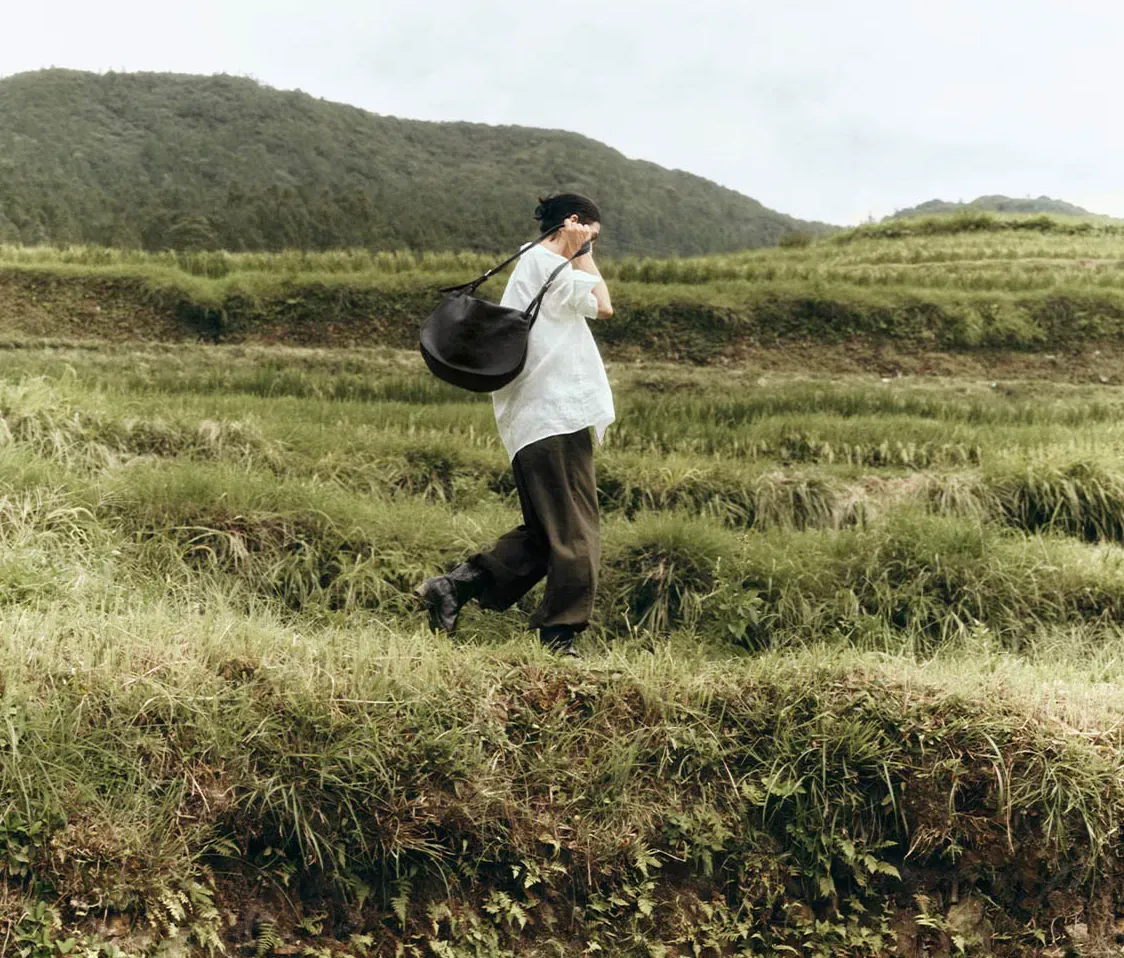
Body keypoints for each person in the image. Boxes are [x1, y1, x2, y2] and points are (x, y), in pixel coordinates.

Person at [415, 193, 614, 656]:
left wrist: (578, 248)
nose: (592, 245)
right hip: (555, 416)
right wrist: (585, 252)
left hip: (535, 421)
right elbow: (603, 306)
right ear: (573, 224)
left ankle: (454, 587)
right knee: (577, 533)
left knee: (545, 534)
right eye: (592, 234)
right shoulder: (549, 262)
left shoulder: (534, 262)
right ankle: (559, 637)